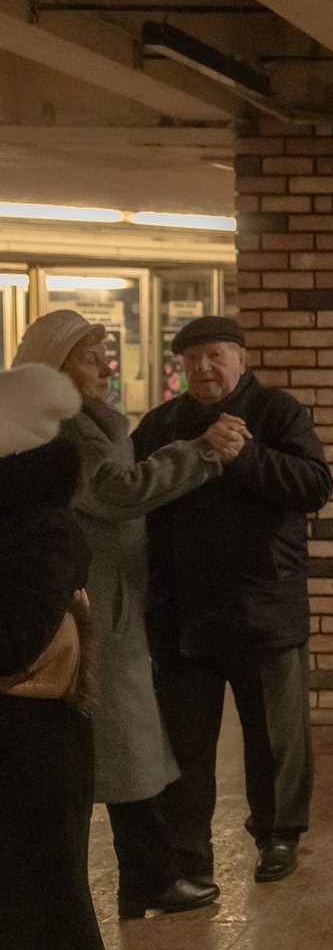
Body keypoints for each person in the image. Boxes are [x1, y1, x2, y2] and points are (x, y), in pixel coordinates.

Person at [15, 311, 234, 918]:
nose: (108, 367)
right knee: (119, 747)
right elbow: (116, 492)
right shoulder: (64, 430)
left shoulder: (76, 422)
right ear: (57, 366)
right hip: (90, 611)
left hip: (108, 605)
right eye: (94, 357)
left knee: (123, 747)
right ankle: (144, 878)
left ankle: (147, 875)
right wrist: (201, 453)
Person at [133, 316, 333, 884]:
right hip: (180, 613)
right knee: (184, 749)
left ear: (241, 359)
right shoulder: (160, 423)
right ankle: (187, 857)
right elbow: (134, 493)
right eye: (191, 359)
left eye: (215, 355)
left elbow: (314, 486)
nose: (202, 368)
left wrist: (244, 456)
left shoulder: (277, 412)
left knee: (273, 739)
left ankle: (277, 837)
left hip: (261, 606)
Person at [0, 364, 102, 950]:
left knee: (43, 911)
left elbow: (16, 636)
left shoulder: (37, 526)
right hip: (22, 747)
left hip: (25, 753)